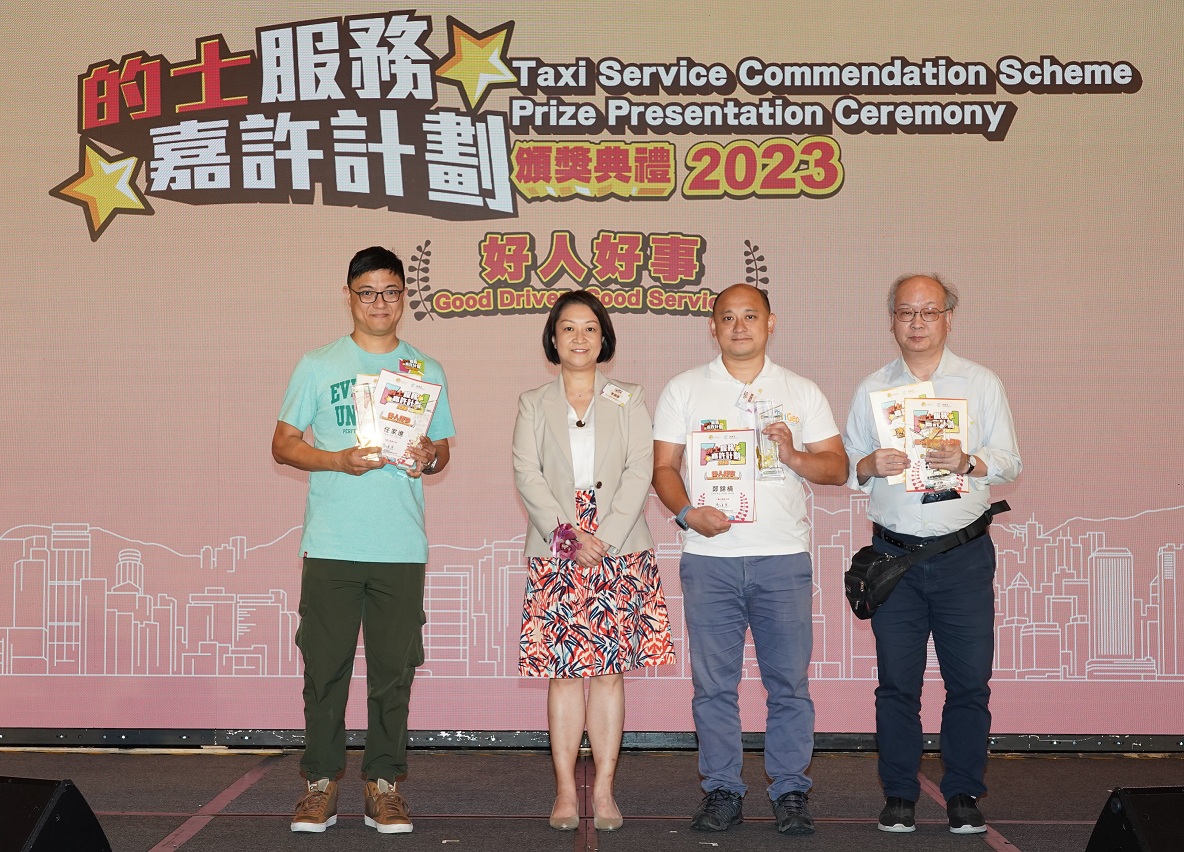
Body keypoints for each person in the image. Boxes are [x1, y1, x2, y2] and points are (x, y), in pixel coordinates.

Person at [651, 283, 848, 836]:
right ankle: (721, 790)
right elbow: (662, 467)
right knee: (713, 686)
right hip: (710, 559)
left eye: (751, 316)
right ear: (711, 327)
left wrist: (792, 454)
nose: (740, 326)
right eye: (728, 318)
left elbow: (836, 468)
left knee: (788, 684)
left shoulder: (800, 391)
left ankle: (790, 791)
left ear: (771, 322)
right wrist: (689, 513)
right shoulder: (685, 389)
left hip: (782, 558)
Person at [272, 246, 454, 835]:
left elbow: (441, 446)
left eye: (392, 292)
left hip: (401, 545)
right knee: (324, 669)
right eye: (369, 292)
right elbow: (283, 443)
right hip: (331, 542)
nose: (381, 303)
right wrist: (337, 460)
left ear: (405, 298)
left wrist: (429, 455)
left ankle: (384, 785)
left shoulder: (425, 370)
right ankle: (319, 783)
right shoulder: (318, 364)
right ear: (349, 295)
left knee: (392, 673)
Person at [842, 274, 1022, 835]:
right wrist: (870, 465)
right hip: (894, 557)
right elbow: (848, 465)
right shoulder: (873, 389)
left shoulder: (980, 383)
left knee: (969, 683)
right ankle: (898, 794)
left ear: (949, 318)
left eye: (929, 312)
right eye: (905, 313)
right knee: (898, 684)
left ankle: (964, 791)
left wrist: (967, 461)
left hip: (963, 557)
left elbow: (1009, 462)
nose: (917, 323)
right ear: (891, 321)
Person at [513, 289, 675, 833]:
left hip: (619, 543)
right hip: (556, 545)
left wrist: (601, 536)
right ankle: (564, 791)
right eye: (567, 328)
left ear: (603, 337)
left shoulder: (629, 397)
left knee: (608, 675)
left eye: (589, 328)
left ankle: (603, 791)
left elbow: (639, 469)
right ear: (552, 339)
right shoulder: (532, 402)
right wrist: (567, 535)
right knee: (562, 677)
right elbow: (526, 473)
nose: (578, 337)